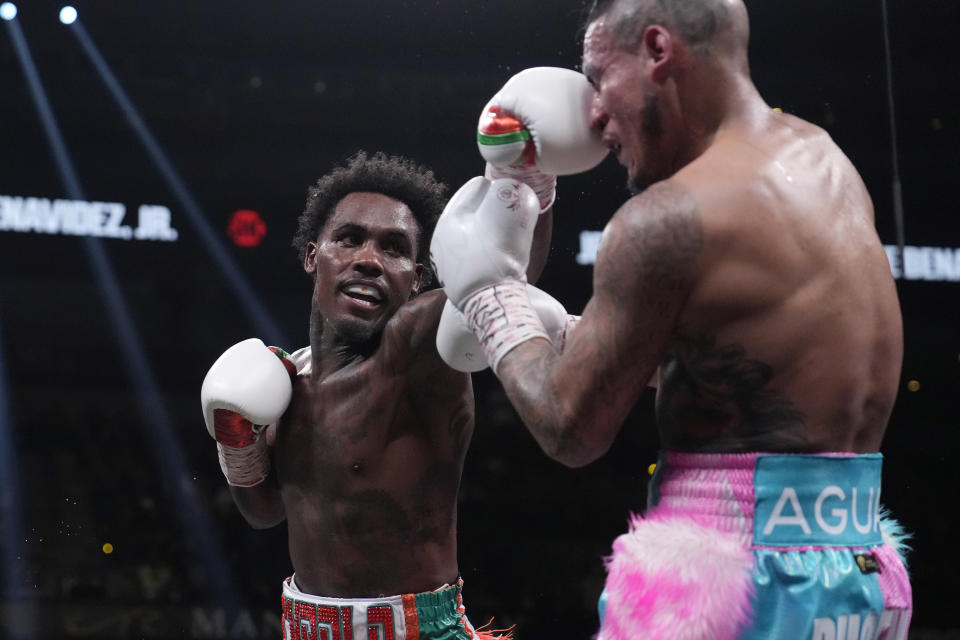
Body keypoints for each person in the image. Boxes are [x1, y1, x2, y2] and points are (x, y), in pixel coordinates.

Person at [429, 0, 913, 638]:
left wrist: (491, 296)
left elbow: (570, 427)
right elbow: (752, 364)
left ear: (658, 51)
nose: (595, 117)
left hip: (728, 587)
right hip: (857, 575)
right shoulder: (823, 160)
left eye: (599, 79)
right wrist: (575, 337)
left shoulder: (665, 220)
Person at [200, 151, 557, 639]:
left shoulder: (414, 353)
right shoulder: (283, 384)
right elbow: (264, 513)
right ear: (312, 255)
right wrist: (238, 444)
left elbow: (499, 278)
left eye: (393, 248)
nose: (368, 260)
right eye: (348, 239)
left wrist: (527, 180)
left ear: (417, 278)